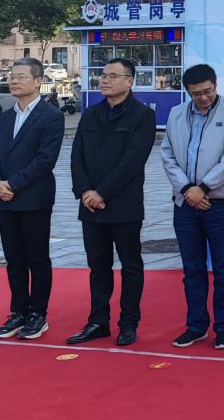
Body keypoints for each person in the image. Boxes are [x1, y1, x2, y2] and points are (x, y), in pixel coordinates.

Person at [66, 58, 157, 347]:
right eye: (103, 75)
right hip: (90, 205)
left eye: (113, 76)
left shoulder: (143, 116)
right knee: (98, 266)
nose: (104, 80)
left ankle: (128, 323)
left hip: (123, 204)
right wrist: (85, 191)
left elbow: (132, 162)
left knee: (131, 265)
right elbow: (76, 155)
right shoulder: (91, 114)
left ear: (129, 81)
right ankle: (98, 321)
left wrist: (102, 192)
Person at [159, 63, 224, 351]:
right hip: (185, 203)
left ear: (215, 85)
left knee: (223, 270)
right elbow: (167, 154)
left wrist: (204, 188)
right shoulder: (176, 113)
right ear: (188, 92)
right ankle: (196, 326)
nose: (204, 98)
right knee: (192, 269)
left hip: (219, 203)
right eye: (196, 94)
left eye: (208, 91)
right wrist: (187, 190)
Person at [0, 57, 65, 341]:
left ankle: (37, 314)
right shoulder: (6, 117)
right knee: (14, 259)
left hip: (34, 198)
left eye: (21, 76)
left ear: (38, 81)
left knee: (37, 258)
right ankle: (17, 311)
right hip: (5, 199)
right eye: (12, 76)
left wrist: (12, 184)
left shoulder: (50, 116)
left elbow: (45, 160)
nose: (14, 81)